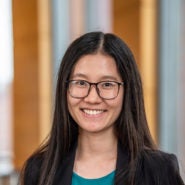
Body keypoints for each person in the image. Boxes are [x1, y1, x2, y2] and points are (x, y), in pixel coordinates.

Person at [20, 31, 184, 185]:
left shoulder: (159, 171)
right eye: (81, 83)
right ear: (65, 89)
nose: (92, 98)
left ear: (127, 92)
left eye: (107, 84)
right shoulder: (38, 171)